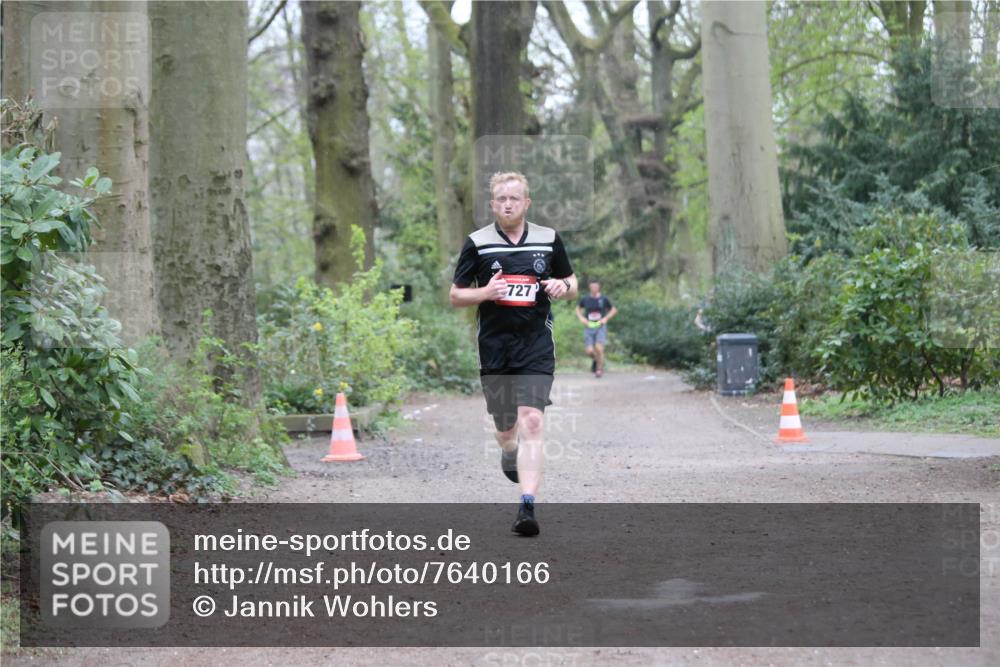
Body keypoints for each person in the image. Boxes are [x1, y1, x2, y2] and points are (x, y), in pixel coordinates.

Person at [450, 171, 577, 537]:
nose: (508, 204)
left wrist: (561, 285)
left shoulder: (548, 240)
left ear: (527, 202)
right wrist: (484, 293)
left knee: (532, 421)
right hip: (494, 347)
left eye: (515, 198)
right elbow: (456, 295)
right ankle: (508, 449)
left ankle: (527, 506)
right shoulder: (477, 243)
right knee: (507, 429)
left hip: (536, 344)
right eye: (501, 199)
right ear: (493, 204)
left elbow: (571, 282)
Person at [575, 279, 617, 378]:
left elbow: (614, 310)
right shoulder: (585, 299)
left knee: (599, 348)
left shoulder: (604, 299)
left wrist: (605, 318)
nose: (594, 288)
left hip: (600, 326)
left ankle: (599, 370)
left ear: (599, 287)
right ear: (590, 287)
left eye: (596, 287)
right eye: (592, 286)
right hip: (589, 326)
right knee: (589, 351)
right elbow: (577, 309)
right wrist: (582, 318)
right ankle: (598, 360)